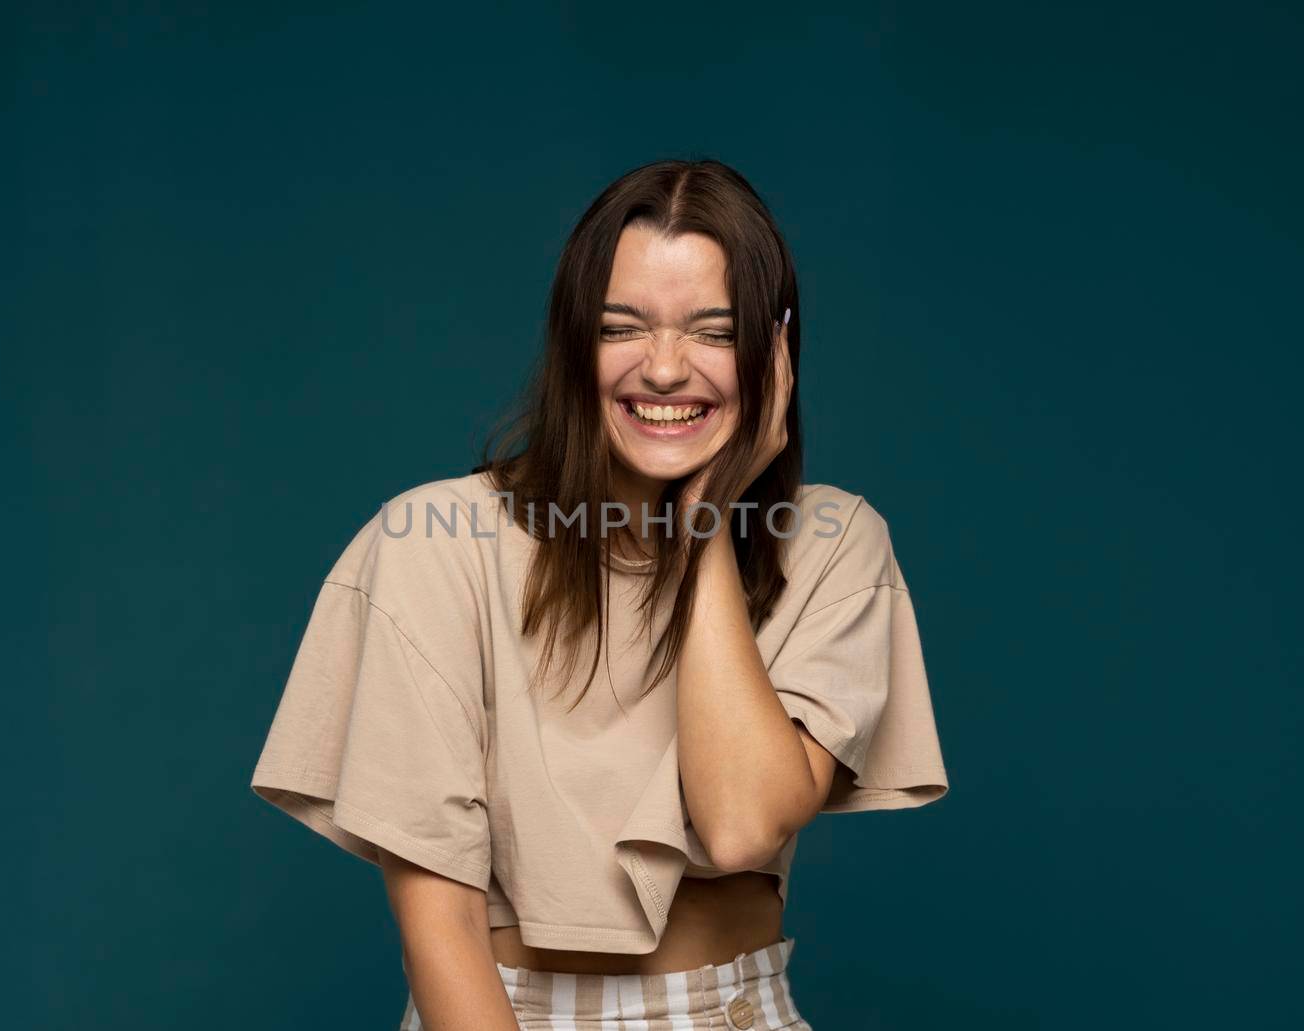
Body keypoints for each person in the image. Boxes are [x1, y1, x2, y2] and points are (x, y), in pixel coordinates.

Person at [250, 158, 950, 1030]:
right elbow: (443, 925)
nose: (664, 369)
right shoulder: (433, 542)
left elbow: (741, 826)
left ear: (774, 351)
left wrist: (707, 526)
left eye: (713, 330)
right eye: (624, 327)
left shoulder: (837, 542)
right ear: (575, 343)